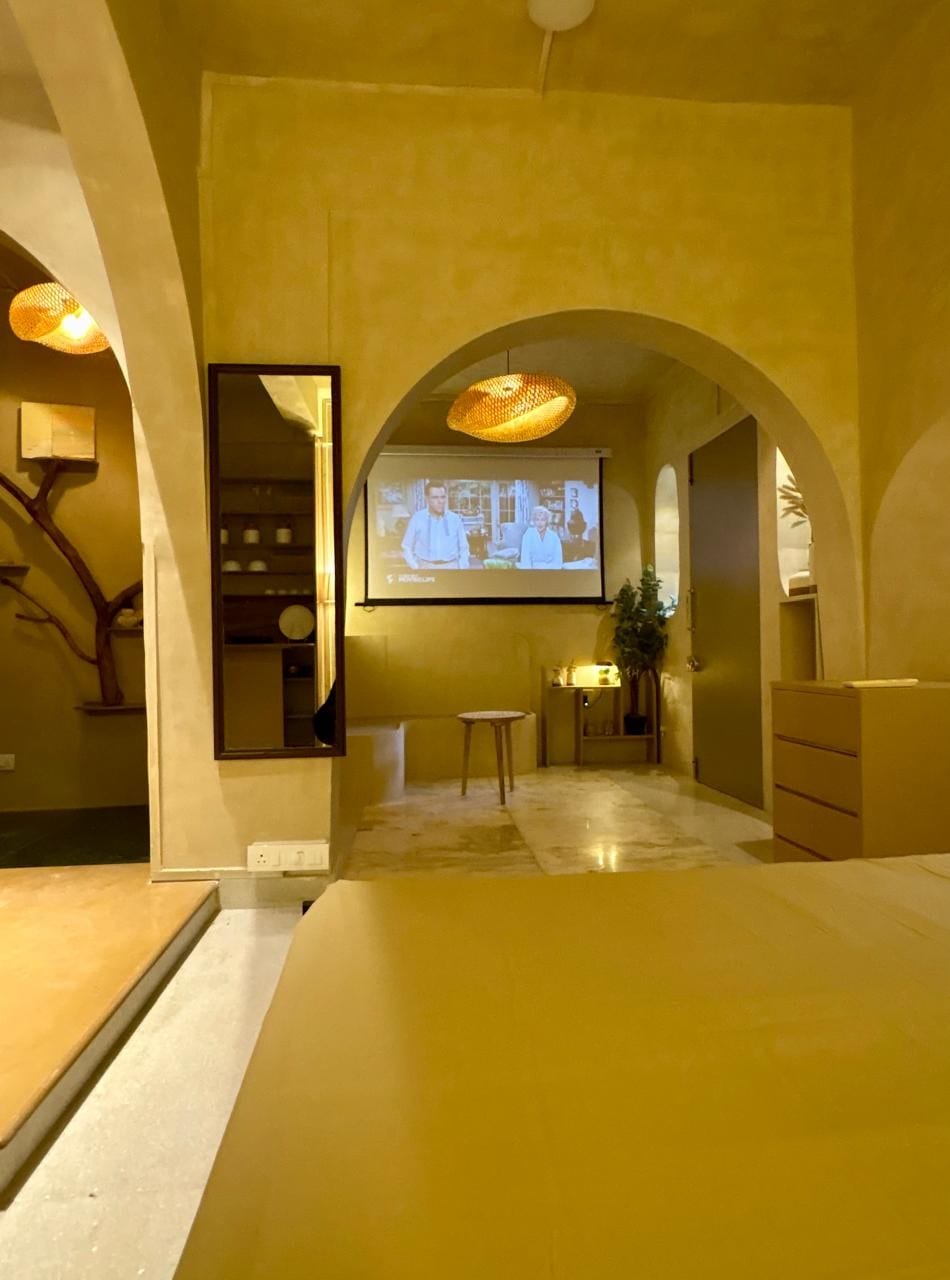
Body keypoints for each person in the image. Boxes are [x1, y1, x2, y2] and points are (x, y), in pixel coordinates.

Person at [401, 480, 470, 569]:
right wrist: (416, 567)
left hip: (451, 567)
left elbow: (464, 547)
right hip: (425, 567)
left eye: (443, 497)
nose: (440, 501)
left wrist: (462, 567)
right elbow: (406, 546)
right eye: (435, 497)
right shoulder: (417, 518)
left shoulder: (455, 519)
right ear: (427, 499)